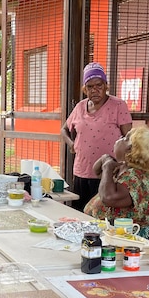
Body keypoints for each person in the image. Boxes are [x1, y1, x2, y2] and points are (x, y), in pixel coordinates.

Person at [60, 62, 133, 210]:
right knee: (80, 212)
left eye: (99, 85)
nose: (95, 90)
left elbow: (130, 139)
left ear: (106, 85)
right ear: (84, 89)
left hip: (108, 174)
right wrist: (72, 144)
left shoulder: (118, 106)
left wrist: (126, 166)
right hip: (82, 171)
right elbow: (64, 129)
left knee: (102, 215)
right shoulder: (80, 107)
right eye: (90, 87)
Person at [83, 125, 149, 239]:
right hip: (110, 232)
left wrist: (108, 167)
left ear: (130, 150)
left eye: (124, 138)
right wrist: (105, 158)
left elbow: (108, 198)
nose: (120, 138)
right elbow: (97, 171)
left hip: (126, 237)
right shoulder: (123, 168)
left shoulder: (135, 176)